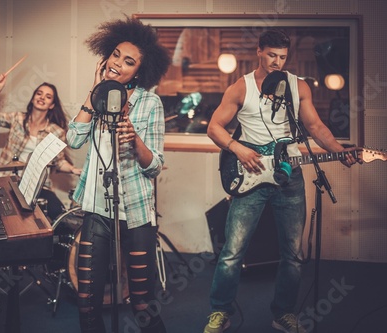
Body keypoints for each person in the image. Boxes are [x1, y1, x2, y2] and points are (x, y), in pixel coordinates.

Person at [203, 29, 359, 333]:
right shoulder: (240, 88)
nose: (277, 62)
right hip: (250, 176)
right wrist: (238, 148)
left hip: (290, 176)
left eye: (283, 57)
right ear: (259, 51)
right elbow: (214, 128)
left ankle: (284, 313)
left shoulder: (297, 86)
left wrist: (340, 151)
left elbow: (315, 126)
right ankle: (220, 311)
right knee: (233, 251)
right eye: (272, 55)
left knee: (293, 253)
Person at [66, 16, 171, 333]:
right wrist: (94, 91)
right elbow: (73, 140)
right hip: (97, 207)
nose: (118, 64)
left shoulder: (149, 102)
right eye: (115, 55)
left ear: (139, 71)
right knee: (87, 303)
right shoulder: (98, 97)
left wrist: (133, 138)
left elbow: (154, 165)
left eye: (129, 62)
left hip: (136, 211)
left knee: (141, 305)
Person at [0, 78, 81, 220]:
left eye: (48, 96)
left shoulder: (57, 132)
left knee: (60, 217)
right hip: (7, 180)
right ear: (33, 97)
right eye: (39, 93)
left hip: (38, 187)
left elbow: (59, 162)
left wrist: (73, 169)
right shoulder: (17, 118)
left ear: (52, 105)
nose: (42, 97)